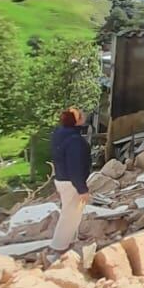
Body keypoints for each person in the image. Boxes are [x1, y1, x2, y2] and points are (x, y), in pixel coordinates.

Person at [49, 106, 91, 253]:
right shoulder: (75, 140)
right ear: (77, 121)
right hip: (71, 182)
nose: (84, 116)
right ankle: (58, 248)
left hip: (61, 178)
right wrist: (82, 189)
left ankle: (70, 242)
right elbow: (75, 166)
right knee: (70, 216)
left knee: (72, 213)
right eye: (81, 115)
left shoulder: (60, 134)